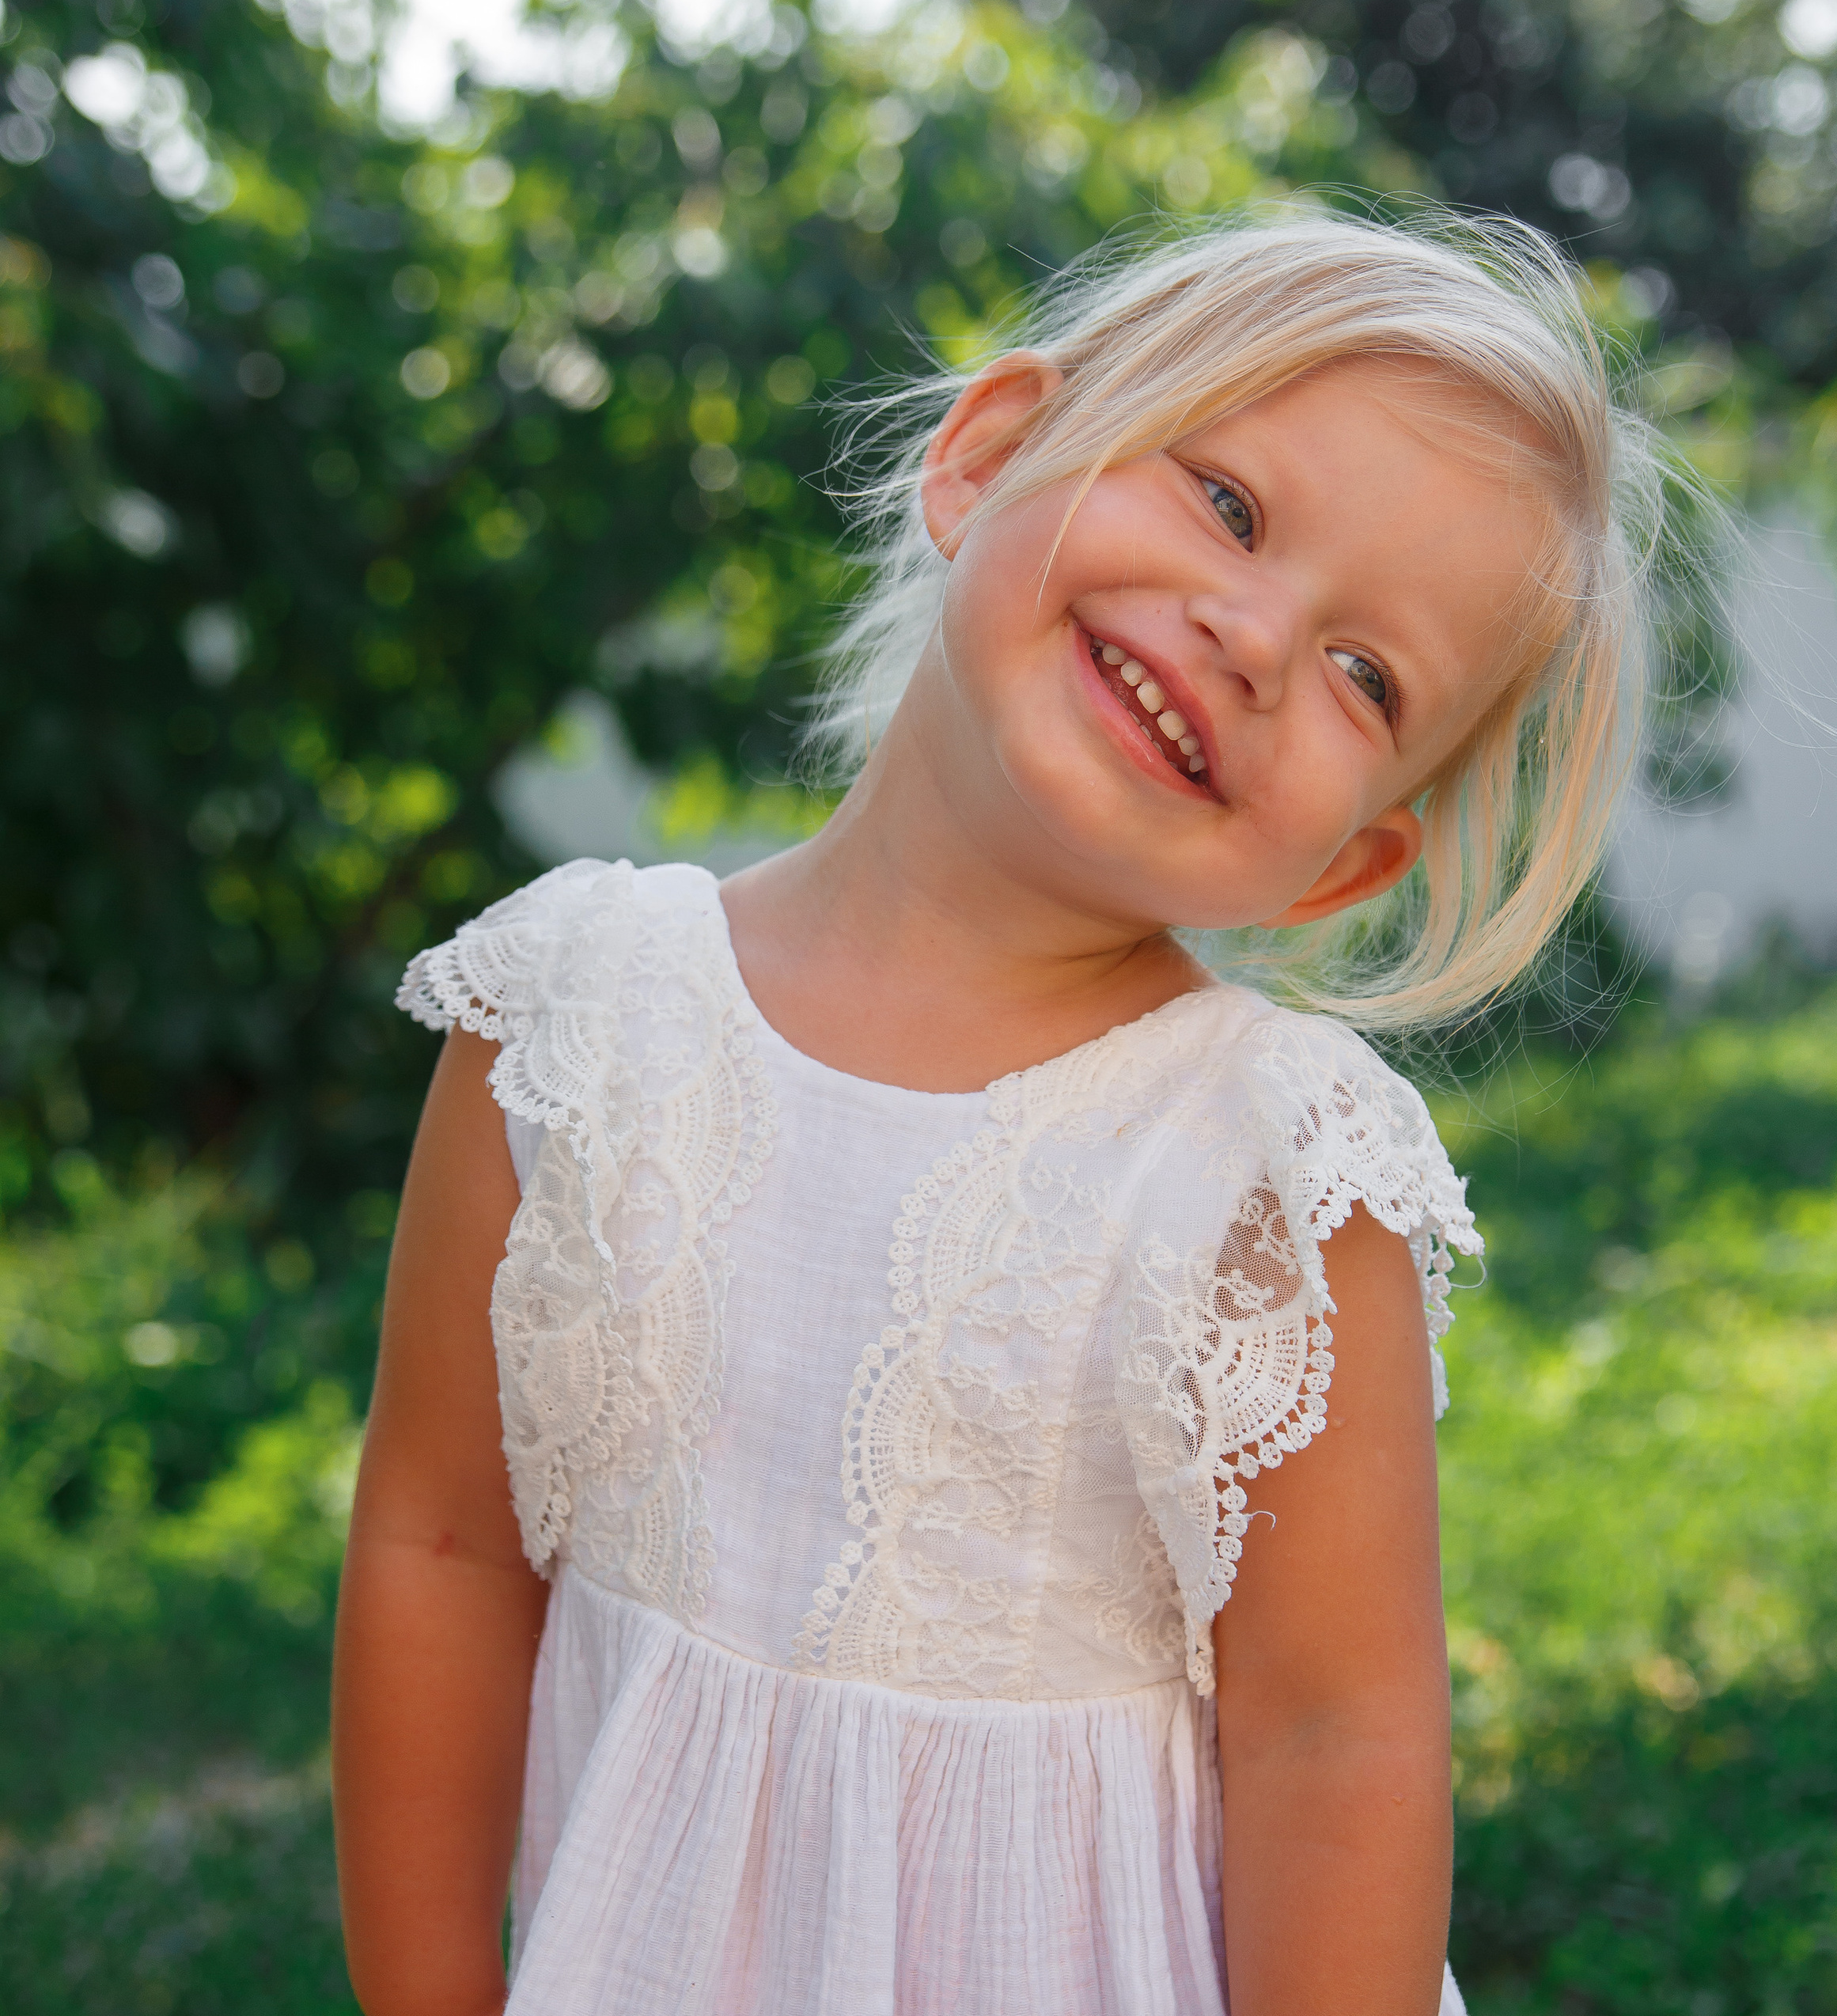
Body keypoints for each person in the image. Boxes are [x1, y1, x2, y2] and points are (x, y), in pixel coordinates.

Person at [331, 207, 1685, 2016]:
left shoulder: (1265, 1171)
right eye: (1227, 505)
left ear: (1337, 867)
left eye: (1370, 676)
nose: (1254, 636)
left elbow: (1332, 1740)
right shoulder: (566, 1014)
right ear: (981, 454)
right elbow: (437, 1540)